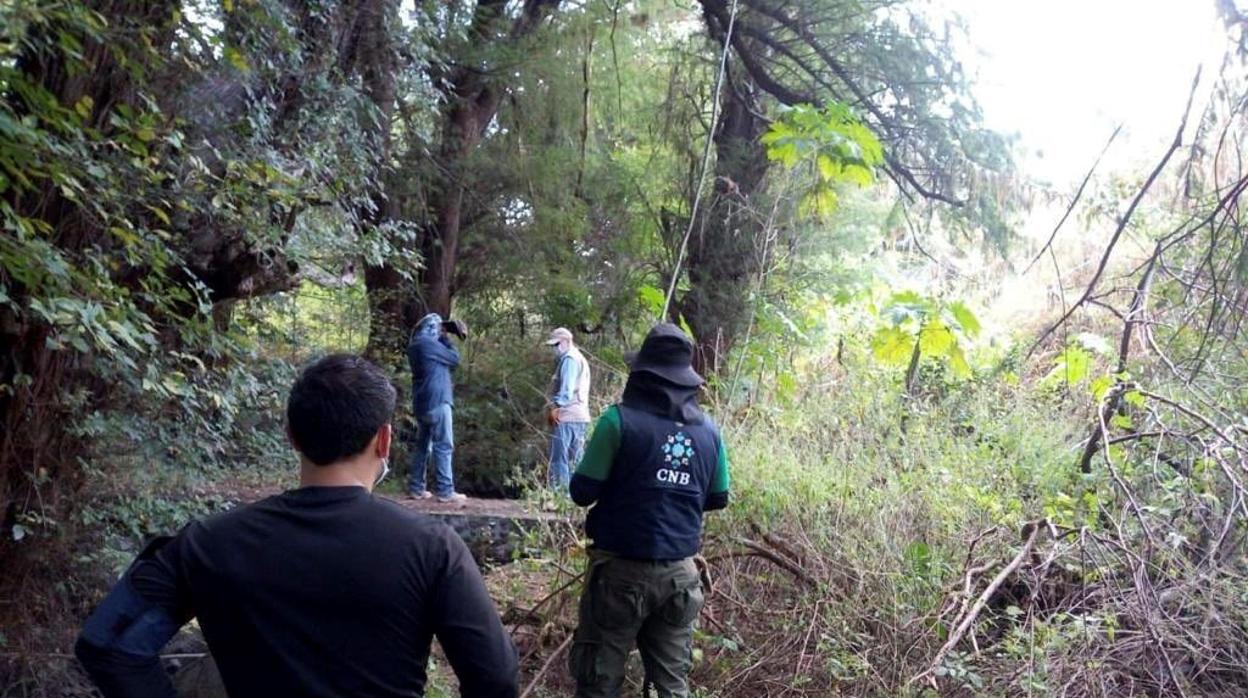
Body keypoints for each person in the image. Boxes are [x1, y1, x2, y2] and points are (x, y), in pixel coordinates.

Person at [75, 354, 518, 698]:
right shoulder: (432, 548)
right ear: (383, 440)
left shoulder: (207, 544)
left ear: (291, 435)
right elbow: (495, 679)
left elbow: (108, 646)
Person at [567, 324, 731, 698]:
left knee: (598, 682)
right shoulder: (710, 432)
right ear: (689, 381)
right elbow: (717, 497)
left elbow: (581, 491)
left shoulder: (617, 421)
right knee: (672, 686)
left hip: (619, 577)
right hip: (681, 578)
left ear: (640, 375)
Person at [407, 312, 468, 503]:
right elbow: (455, 358)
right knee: (443, 445)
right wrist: (445, 338)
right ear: (432, 328)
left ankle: (416, 488)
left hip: (421, 403)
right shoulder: (429, 344)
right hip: (438, 401)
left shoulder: (415, 346)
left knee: (423, 446)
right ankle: (445, 491)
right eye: (439, 327)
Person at [545, 327, 592, 491]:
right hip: (581, 417)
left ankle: (560, 496)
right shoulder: (580, 358)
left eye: (556, 344)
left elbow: (567, 389)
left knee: (559, 459)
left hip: (567, 416)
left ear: (566, 341)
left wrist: (556, 408)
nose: (554, 349)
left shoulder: (569, 360)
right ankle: (573, 500)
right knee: (575, 461)